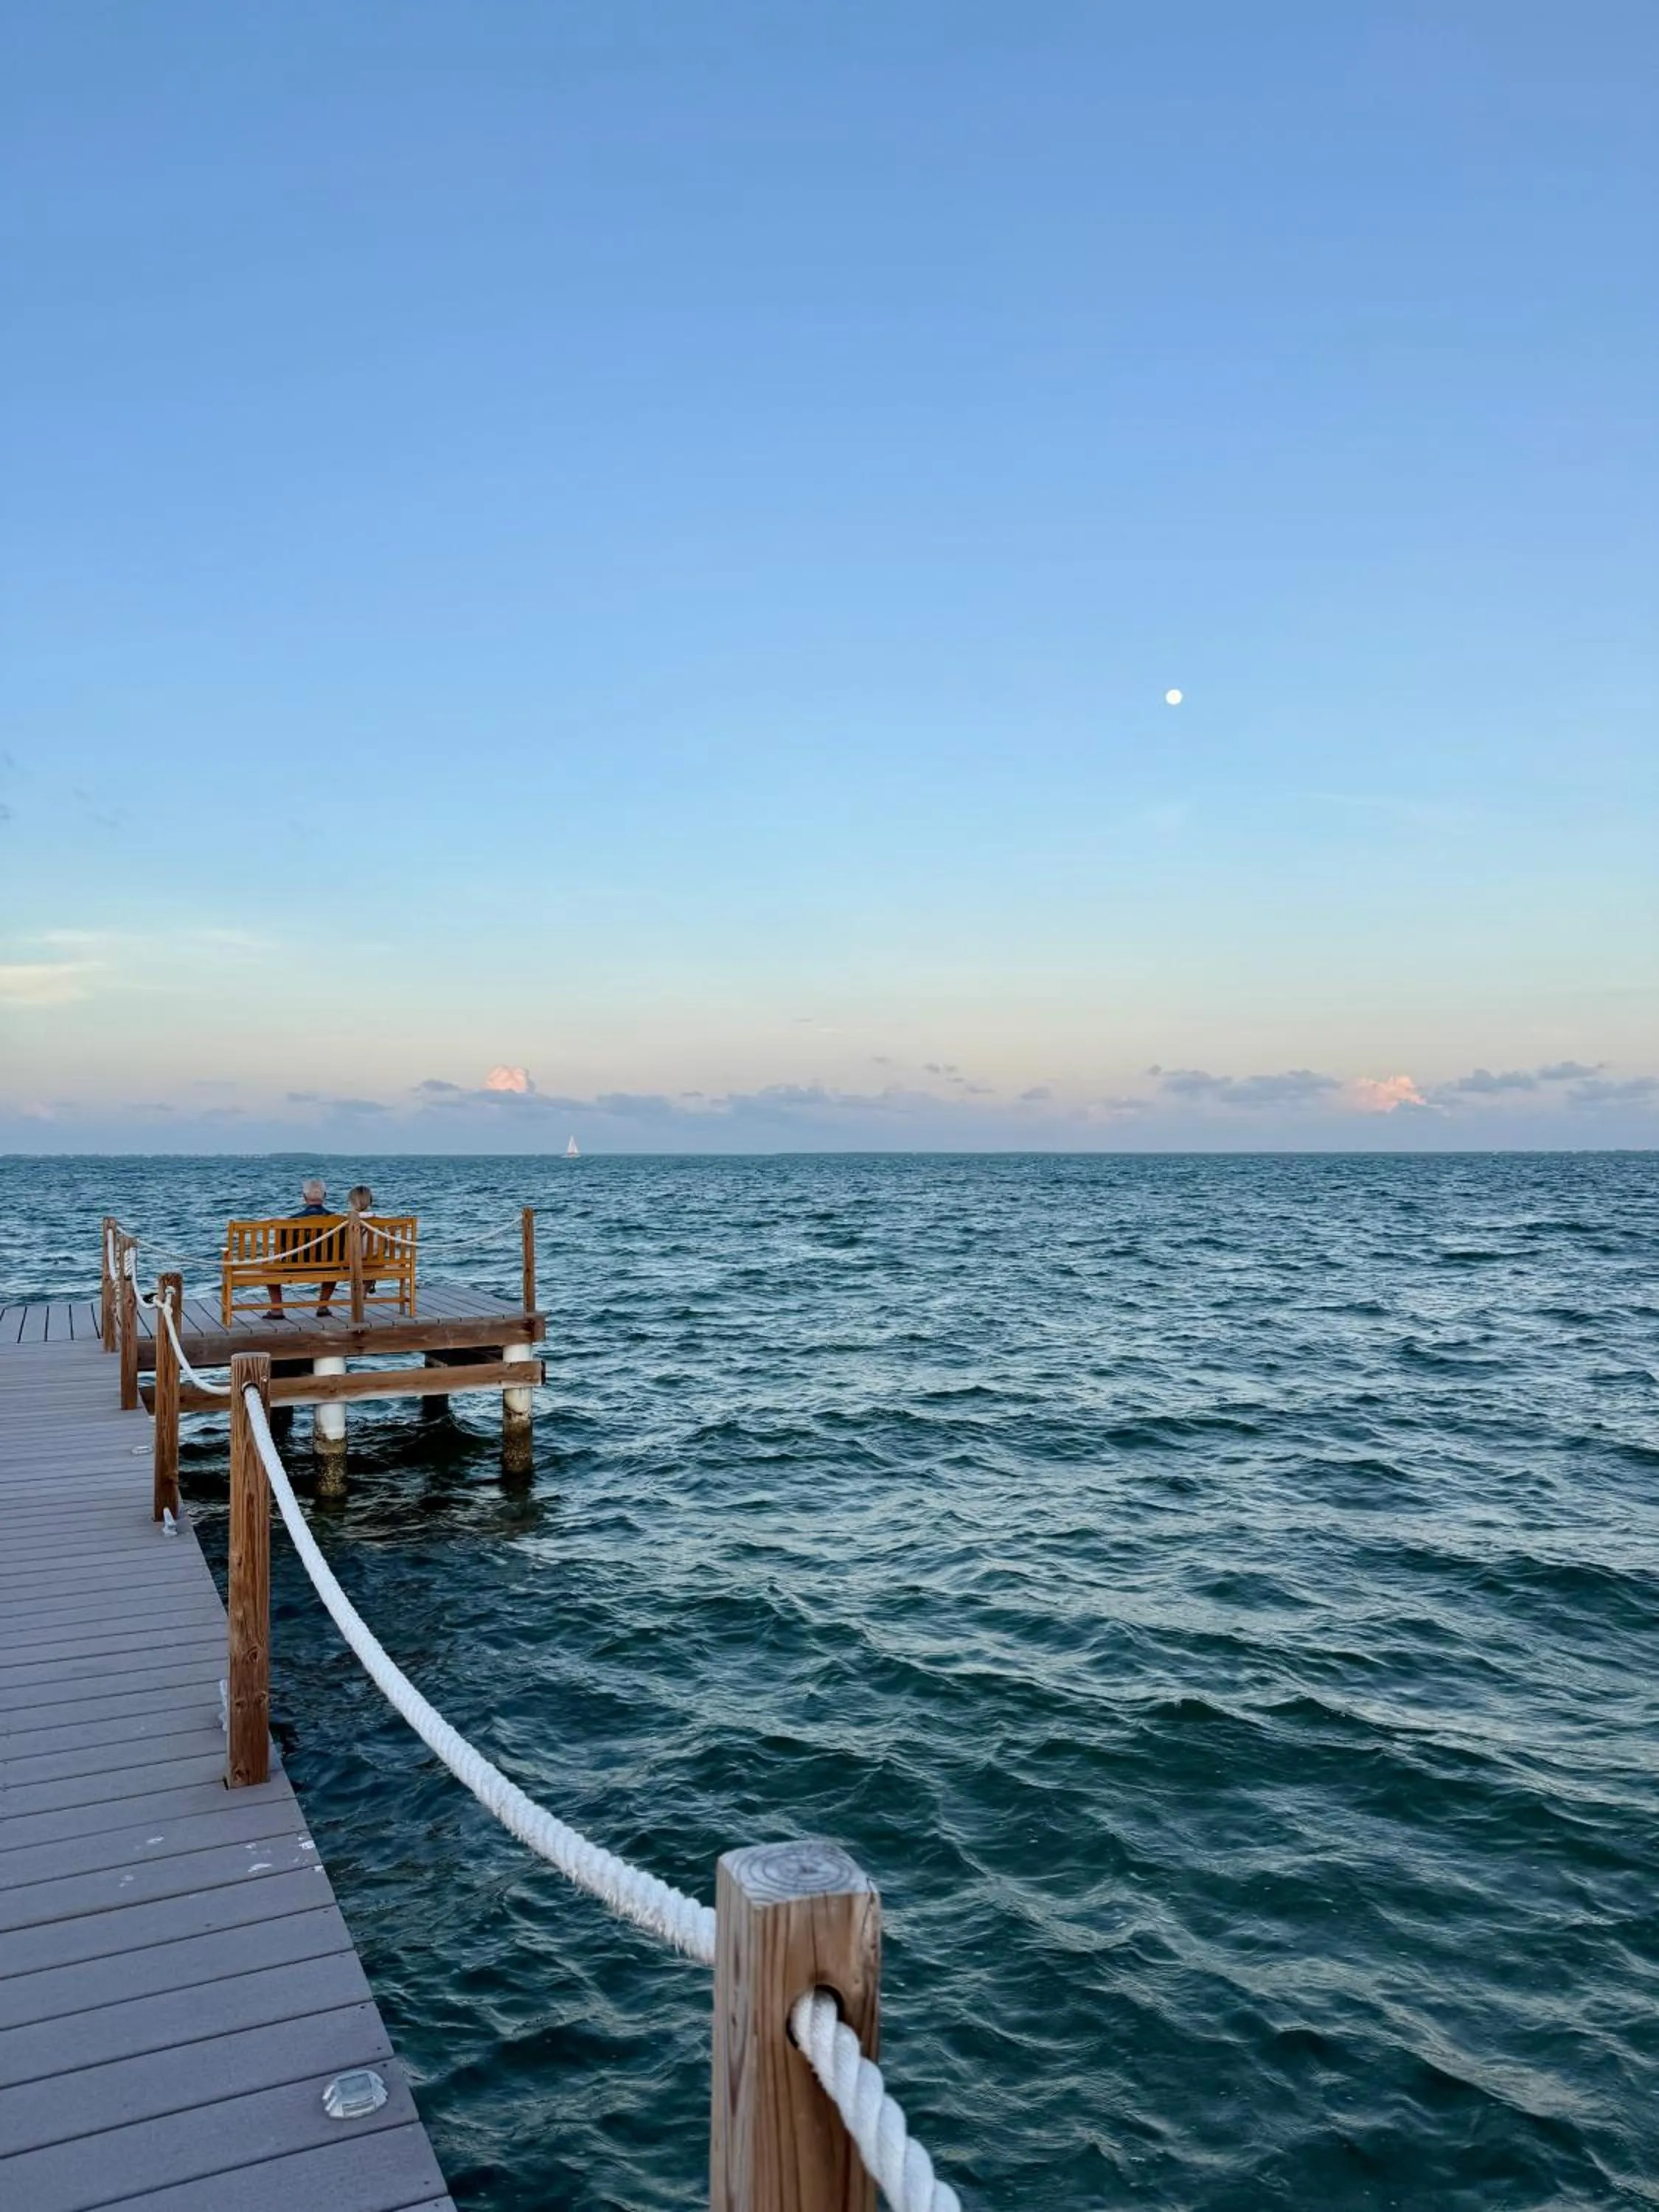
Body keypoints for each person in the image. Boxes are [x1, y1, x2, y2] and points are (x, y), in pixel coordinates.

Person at [265, 1177, 330, 1319]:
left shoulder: (290, 1221)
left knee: (269, 1267)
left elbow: (281, 1247)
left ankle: (277, 1310)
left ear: (304, 1197)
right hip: (329, 1266)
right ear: (324, 1197)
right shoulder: (337, 1220)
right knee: (336, 1263)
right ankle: (323, 1306)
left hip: (293, 1266)